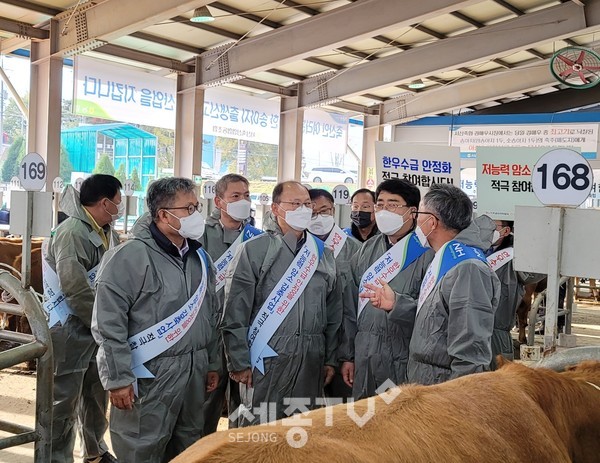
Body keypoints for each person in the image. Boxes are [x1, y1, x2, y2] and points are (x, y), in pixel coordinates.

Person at [91, 178, 220, 462]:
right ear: (163, 214)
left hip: (193, 372)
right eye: (189, 208)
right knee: (141, 448)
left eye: (197, 206)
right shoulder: (128, 258)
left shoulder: (200, 258)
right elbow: (108, 325)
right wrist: (118, 378)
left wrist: (211, 362)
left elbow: (210, 314)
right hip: (147, 376)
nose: (196, 214)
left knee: (187, 447)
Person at [221, 181, 341, 427]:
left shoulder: (322, 254)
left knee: (302, 433)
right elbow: (235, 310)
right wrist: (239, 361)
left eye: (307, 204)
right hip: (264, 362)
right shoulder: (253, 250)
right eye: (295, 204)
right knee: (257, 432)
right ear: (275, 209)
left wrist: (330, 358)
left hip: (310, 361)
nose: (303, 209)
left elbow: (333, 312)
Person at [365, 184, 500, 385]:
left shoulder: (468, 268)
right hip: (428, 380)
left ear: (431, 222)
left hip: (443, 389)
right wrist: (397, 304)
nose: (416, 220)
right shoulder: (444, 258)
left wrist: (456, 405)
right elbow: (438, 320)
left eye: (419, 213)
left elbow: (470, 353)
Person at [44, 174, 122, 463]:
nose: (119, 206)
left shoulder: (106, 230)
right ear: (104, 202)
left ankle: (94, 450)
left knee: (95, 394)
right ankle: (55, 457)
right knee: (63, 399)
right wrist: (101, 323)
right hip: (70, 328)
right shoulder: (72, 231)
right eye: (117, 202)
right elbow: (73, 286)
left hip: (93, 329)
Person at [339, 179, 433, 399]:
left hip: (403, 355)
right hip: (364, 355)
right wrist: (348, 356)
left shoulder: (427, 252)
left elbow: (433, 312)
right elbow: (350, 307)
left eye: (392, 204)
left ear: (412, 211)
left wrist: (398, 305)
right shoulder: (366, 250)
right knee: (366, 419)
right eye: (379, 204)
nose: (383, 210)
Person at [199, 174, 262, 434]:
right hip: (209, 336)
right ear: (219, 201)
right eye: (235, 196)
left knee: (244, 408)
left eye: (246, 195)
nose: (243, 201)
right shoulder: (200, 235)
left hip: (244, 335)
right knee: (205, 407)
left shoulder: (258, 238)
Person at [307, 188, 360, 400]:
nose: (319, 217)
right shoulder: (297, 248)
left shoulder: (355, 249)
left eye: (324, 211)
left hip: (343, 345)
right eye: (312, 213)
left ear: (334, 210)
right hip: (310, 342)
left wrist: (351, 354)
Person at [481, 217, 544, 368]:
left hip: (498, 330)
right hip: (474, 329)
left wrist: (530, 248)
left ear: (506, 231)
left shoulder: (514, 256)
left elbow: (534, 274)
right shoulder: (475, 251)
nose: (486, 229)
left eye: (493, 226)